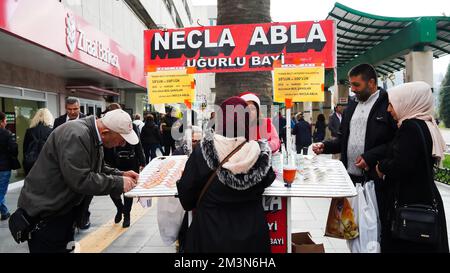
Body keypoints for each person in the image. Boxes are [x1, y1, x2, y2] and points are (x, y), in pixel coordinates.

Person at [16, 109, 139, 252]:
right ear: (105, 132)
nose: (122, 144)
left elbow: (95, 165)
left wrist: (121, 174)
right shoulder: (77, 135)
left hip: (61, 211)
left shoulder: (91, 134)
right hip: (46, 215)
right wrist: (118, 183)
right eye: (122, 139)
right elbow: (80, 179)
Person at [177, 96, 276, 253]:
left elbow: (187, 199)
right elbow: (268, 179)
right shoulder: (260, 155)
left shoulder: (202, 152)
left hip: (210, 235)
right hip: (252, 240)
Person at [312, 63, 397, 217]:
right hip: (349, 178)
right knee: (350, 227)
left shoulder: (388, 105)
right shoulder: (351, 105)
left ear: (371, 83)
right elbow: (343, 139)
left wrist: (370, 157)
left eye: (356, 85)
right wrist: (325, 146)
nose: (353, 89)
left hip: (375, 180)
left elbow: (395, 143)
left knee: (374, 227)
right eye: (351, 85)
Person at [375, 81, 448, 253]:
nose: (389, 110)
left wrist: (382, 166)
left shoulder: (410, 128)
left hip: (410, 203)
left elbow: (402, 165)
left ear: (407, 102)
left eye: (392, 104)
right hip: (424, 197)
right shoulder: (427, 125)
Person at [102, 104, 146, 228]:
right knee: (113, 190)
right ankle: (120, 208)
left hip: (130, 161)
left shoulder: (131, 125)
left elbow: (138, 144)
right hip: (112, 161)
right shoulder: (105, 128)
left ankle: (127, 214)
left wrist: (142, 161)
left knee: (128, 190)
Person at [53, 97, 91, 229]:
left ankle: (84, 216)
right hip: (63, 162)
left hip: (82, 162)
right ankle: (70, 220)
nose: (73, 112)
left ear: (79, 108)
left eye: (75, 109)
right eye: (70, 109)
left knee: (83, 193)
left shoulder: (87, 120)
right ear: (65, 109)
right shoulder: (58, 121)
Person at [23, 108, 54, 175]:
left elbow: (25, 148)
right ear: (49, 117)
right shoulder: (51, 131)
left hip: (31, 163)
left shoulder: (29, 131)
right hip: (47, 163)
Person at [0, 112, 18, 221]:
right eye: (5, 120)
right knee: (1, 192)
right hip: (4, 167)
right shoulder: (6, 134)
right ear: (1, 121)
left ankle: (5, 212)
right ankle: (5, 212)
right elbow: (14, 150)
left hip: (3, 167)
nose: (6, 123)